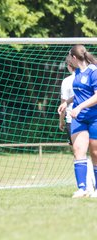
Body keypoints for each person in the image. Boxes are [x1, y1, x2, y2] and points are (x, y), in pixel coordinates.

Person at [58, 44, 97, 198]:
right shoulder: (78, 73)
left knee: (95, 153)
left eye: (70, 58)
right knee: (78, 150)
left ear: (74, 58)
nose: (69, 61)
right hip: (78, 118)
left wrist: (79, 107)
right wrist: (66, 102)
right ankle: (83, 189)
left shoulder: (94, 71)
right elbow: (81, 93)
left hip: (94, 118)